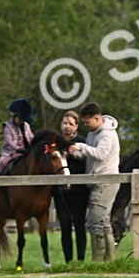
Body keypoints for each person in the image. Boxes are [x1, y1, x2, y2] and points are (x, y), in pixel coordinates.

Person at [69, 102, 120, 262]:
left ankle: (97, 262)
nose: (85, 124)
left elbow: (101, 154)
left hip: (106, 181)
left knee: (94, 222)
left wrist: (81, 146)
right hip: (97, 181)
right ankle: (109, 261)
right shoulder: (93, 133)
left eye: (87, 121)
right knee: (103, 222)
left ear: (97, 118)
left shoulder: (107, 134)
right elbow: (90, 155)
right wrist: (75, 153)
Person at [52, 109, 89, 263]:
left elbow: (87, 161)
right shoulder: (55, 142)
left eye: (71, 124)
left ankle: (80, 260)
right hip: (61, 192)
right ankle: (68, 261)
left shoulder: (82, 141)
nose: (67, 126)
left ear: (76, 127)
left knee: (79, 225)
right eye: (65, 123)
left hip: (79, 191)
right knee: (65, 225)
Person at [0, 98, 35, 194]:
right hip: (11, 151)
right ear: (15, 116)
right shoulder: (7, 127)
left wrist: (33, 144)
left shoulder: (26, 125)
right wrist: (19, 149)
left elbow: (30, 136)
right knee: (2, 162)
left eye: (23, 119)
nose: (21, 121)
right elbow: (9, 142)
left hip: (26, 151)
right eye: (20, 119)